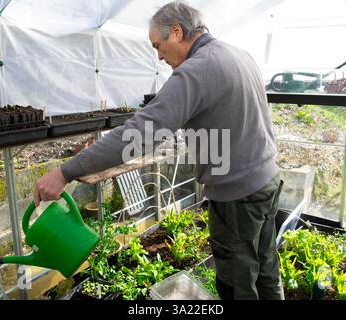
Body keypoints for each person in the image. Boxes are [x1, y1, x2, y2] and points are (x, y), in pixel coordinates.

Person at [34, 1, 284, 300]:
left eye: (158, 45)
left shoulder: (196, 70)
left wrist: (67, 171)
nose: (159, 56)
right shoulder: (237, 54)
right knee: (266, 266)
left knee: (238, 282)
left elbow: (140, 134)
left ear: (177, 32)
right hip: (267, 179)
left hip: (238, 194)